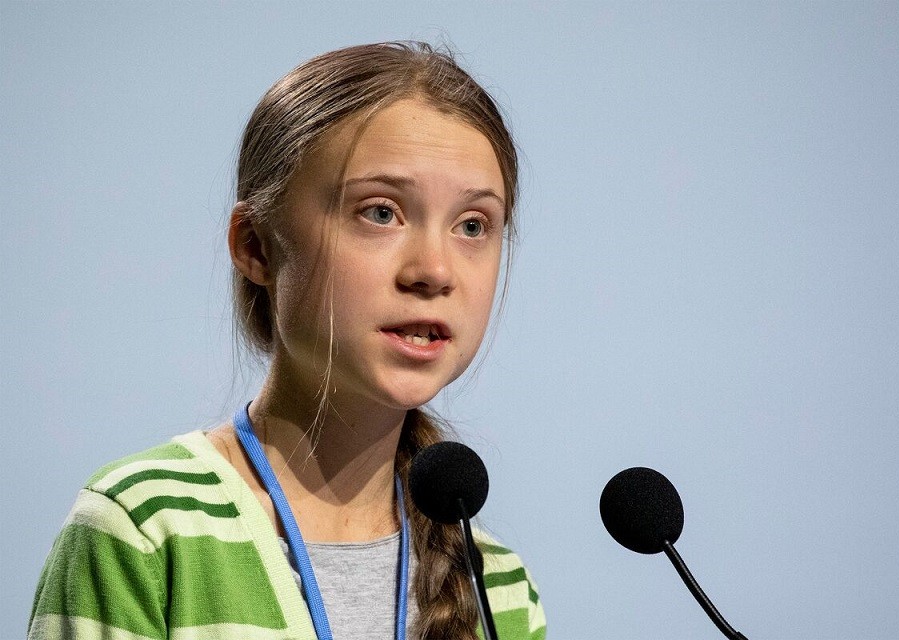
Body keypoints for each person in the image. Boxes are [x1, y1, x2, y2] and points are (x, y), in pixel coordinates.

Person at [28, 42, 546, 640]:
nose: (434, 270)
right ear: (255, 245)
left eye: (473, 225)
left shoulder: (497, 587)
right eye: (380, 213)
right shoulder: (144, 529)